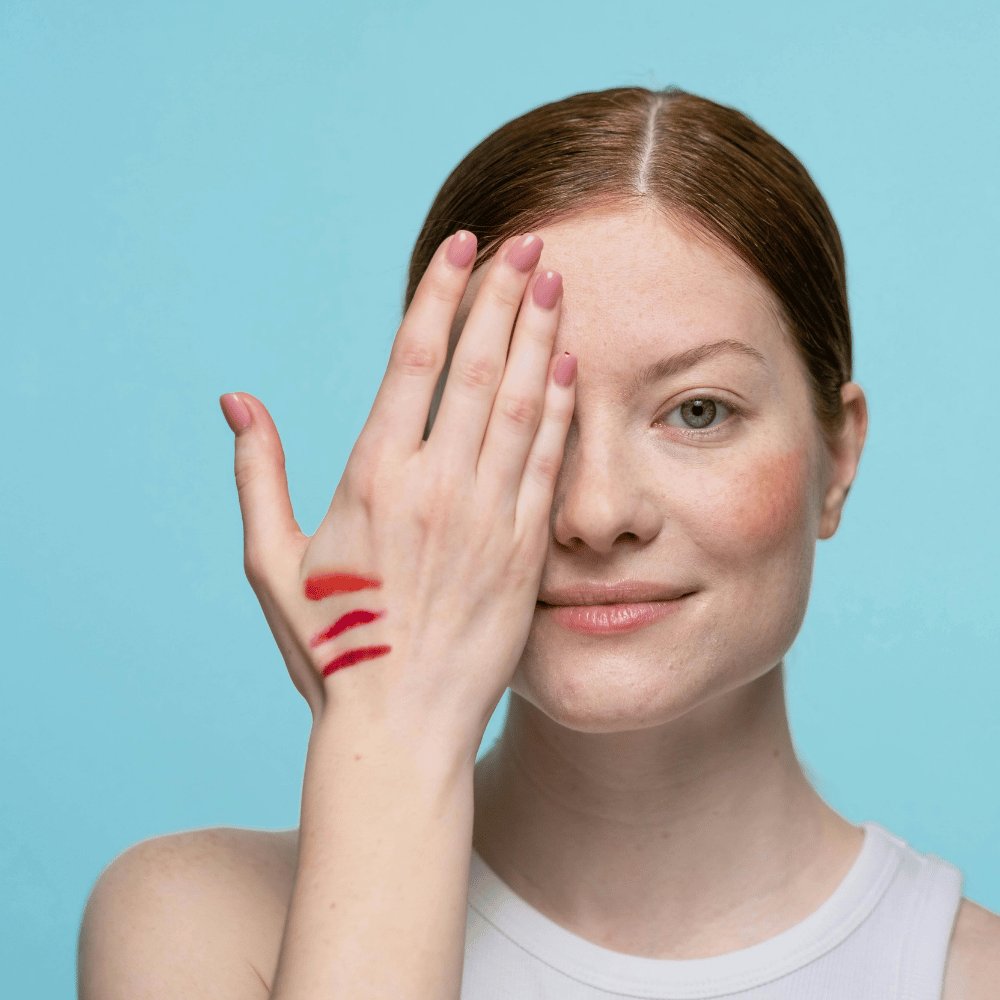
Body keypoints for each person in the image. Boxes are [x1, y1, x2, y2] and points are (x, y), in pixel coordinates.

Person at [77, 87, 1000, 999]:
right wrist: (394, 742)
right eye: (525, 420)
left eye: (699, 410)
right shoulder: (198, 928)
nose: (596, 513)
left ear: (837, 456)